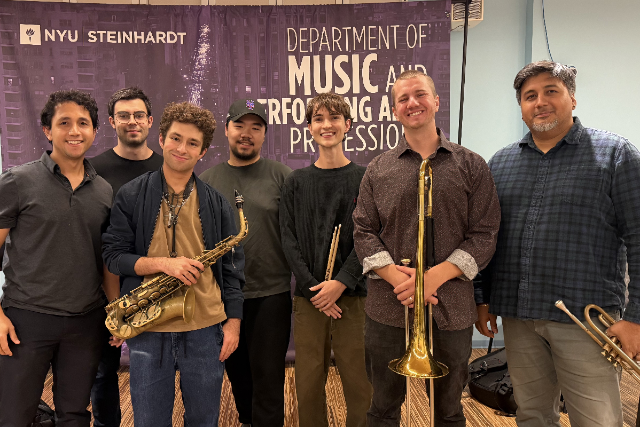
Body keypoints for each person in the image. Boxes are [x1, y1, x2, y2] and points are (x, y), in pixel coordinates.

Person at [475, 60, 640, 427]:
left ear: (572, 99)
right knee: (532, 415)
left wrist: (636, 319)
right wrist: (482, 299)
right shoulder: (500, 163)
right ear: (521, 106)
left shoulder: (615, 154)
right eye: (529, 96)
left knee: (596, 421)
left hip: (585, 320)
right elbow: (487, 238)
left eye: (551, 91)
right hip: (519, 316)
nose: (540, 102)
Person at [353, 70, 500, 427]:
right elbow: (363, 230)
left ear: (435, 101)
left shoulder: (471, 164)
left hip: (452, 307)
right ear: (394, 110)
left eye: (420, 94)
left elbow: (485, 233)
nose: (412, 103)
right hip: (389, 305)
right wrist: (399, 279)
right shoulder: (378, 168)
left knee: (448, 411)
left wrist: (433, 278)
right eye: (402, 99)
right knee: (382, 408)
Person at [102, 101, 245, 426]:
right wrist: (164, 265)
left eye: (192, 143)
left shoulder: (217, 202)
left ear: (203, 151)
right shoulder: (131, 194)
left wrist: (233, 323)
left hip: (205, 328)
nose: (182, 149)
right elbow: (113, 257)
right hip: (148, 327)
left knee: (204, 419)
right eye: (176, 139)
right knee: (149, 420)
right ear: (162, 138)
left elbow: (233, 271)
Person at [0, 90, 117, 426]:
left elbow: (105, 261)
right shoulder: (17, 181)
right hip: (26, 320)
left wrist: (115, 311)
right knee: (13, 415)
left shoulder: (104, 191)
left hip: (85, 322)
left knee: (74, 415)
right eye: (64, 123)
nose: (74, 131)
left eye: (83, 123)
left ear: (95, 131)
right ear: (47, 130)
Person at [280, 92, 372, 427]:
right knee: (307, 383)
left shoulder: (365, 178)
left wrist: (341, 282)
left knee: (360, 382)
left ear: (348, 125)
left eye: (334, 117)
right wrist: (313, 288)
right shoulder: (296, 181)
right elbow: (288, 238)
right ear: (309, 128)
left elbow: (370, 238)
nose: (326, 125)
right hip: (310, 298)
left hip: (353, 295)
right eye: (318, 119)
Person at [200, 99, 292, 427]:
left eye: (256, 127)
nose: (246, 133)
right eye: (239, 125)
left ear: (265, 134)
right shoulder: (206, 180)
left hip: (271, 293)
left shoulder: (282, 176)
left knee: (268, 375)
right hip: (222, 296)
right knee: (238, 373)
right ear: (226, 130)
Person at [89, 86, 163, 427]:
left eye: (138, 115)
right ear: (111, 121)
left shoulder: (168, 167)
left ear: (150, 121)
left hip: (158, 289)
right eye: (123, 116)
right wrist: (113, 302)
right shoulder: (93, 169)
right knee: (103, 373)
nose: (131, 121)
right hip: (104, 289)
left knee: (158, 372)